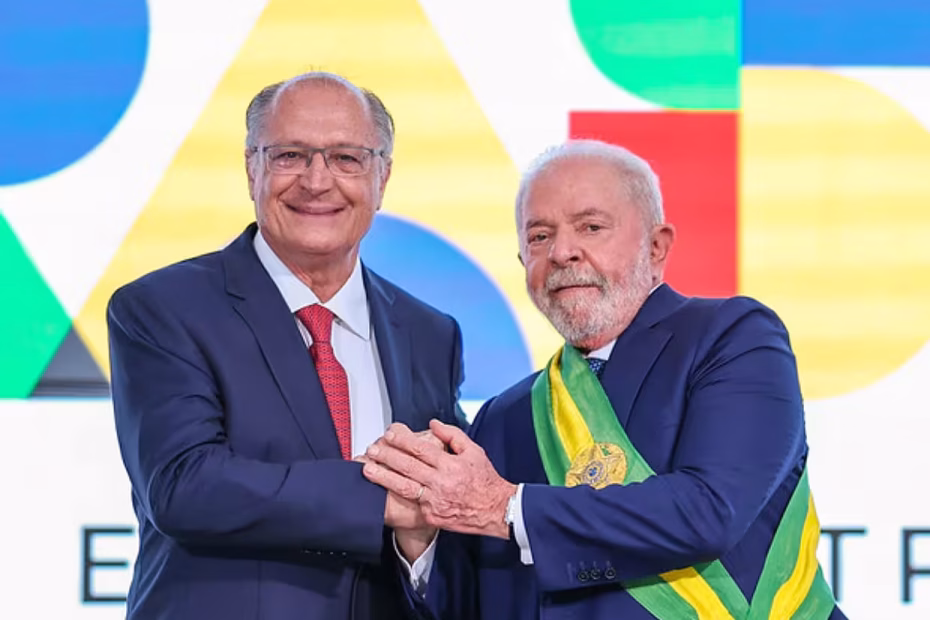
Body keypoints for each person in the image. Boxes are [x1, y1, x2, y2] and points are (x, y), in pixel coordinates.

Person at [362, 140, 847, 619]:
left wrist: (508, 508)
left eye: (591, 227)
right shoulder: (504, 416)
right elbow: (472, 604)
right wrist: (419, 535)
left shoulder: (733, 338)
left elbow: (710, 512)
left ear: (657, 247)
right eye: (539, 237)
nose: (562, 252)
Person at [107, 72, 465, 620]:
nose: (317, 181)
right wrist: (381, 502)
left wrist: (421, 537)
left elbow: (441, 514)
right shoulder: (162, 309)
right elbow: (184, 485)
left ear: (382, 177)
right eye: (291, 155)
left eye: (347, 158)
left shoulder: (429, 333)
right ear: (252, 167)